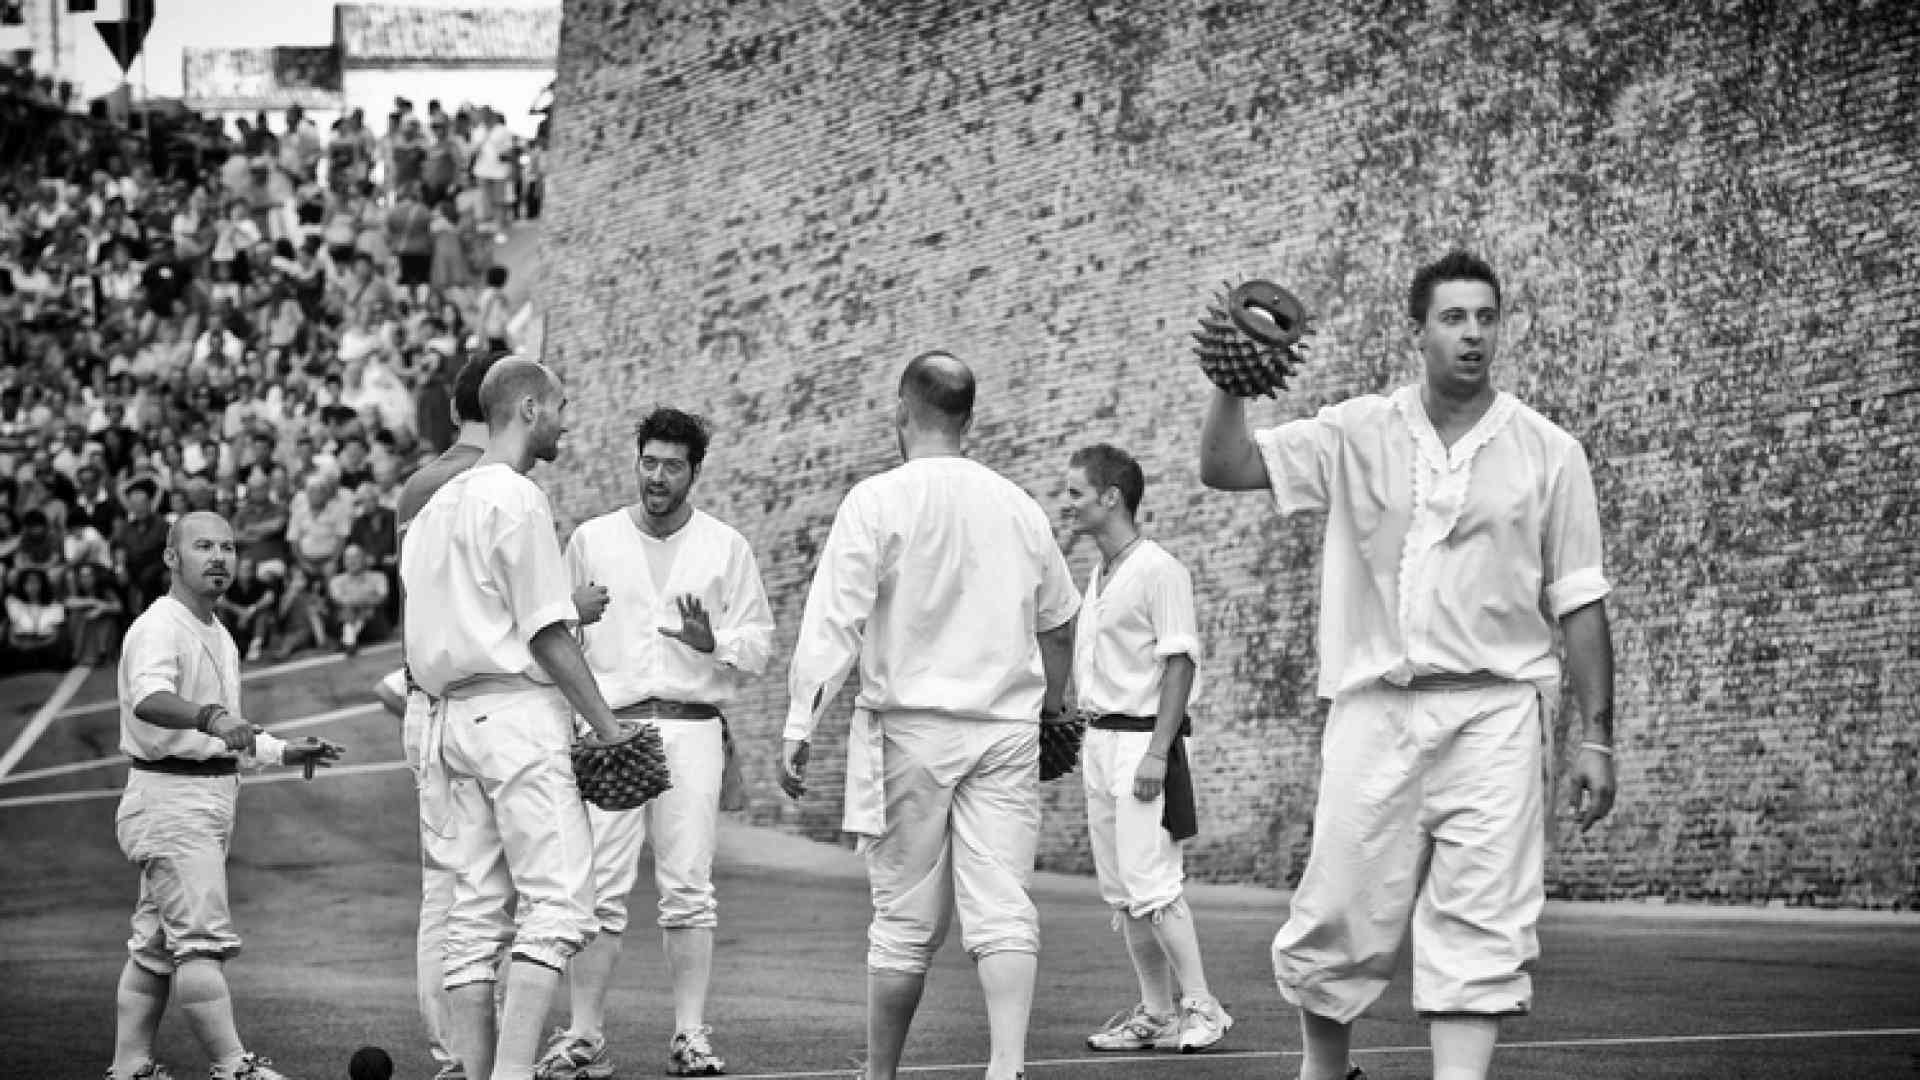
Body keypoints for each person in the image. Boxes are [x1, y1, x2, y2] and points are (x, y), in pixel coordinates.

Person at [1196, 251, 1618, 1080]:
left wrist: (1597, 739)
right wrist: (1231, 382)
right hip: (1376, 708)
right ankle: (1325, 1073)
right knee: (1337, 910)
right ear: (1418, 331)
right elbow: (1227, 466)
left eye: (1486, 317)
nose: (1472, 333)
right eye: (1454, 318)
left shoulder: (1549, 451)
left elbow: (1579, 598)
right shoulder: (1358, 431)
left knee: (1483, 920)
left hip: (1496, 713)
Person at [779, 352, 1080, 1080]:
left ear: (900, 411)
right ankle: (1005, 1066)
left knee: (904, 917)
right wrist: (1054, 708)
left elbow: (835, 622)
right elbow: (1060, 622)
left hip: (911, 727)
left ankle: (880, 1074)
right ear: (969, 419)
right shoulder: (1018, 505)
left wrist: (800, 722)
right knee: (1003, 904)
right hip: (1005, 728)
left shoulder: (877, 501)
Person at [399, 357, 629, 1080]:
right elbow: (547, 631)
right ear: (528, 408)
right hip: (514, 716)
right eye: (559, 407)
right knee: (558, 904)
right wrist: (608, 726)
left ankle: (478, 1075)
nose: (565, 422)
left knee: (473, 916)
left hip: (448, 721)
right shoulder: (517, 496)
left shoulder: (434, 509)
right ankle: (510, 1076)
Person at [536, 408, 774, 1079]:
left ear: (695, 472)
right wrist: (569, 612)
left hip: (692, 726)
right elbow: (555, 636)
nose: (658, 477)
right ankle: (584, 1036)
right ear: (636, 461)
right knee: (598, 887)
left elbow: (758, 645)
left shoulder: (725, 546)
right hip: (609, 727)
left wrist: (713, 641)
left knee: (690, 885)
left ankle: (690, 1035)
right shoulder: (592, 539)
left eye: (672, 465)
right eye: (649, 462)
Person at [103, 511, 342, 1080]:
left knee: (155, 946)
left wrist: (282, 751)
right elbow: (150, 699)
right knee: (200, 944)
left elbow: (228, 734)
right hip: (173, 799)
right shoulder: (160, 626)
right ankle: (233, 1067)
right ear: (171, 557)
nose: (219, 557)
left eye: (228, 548)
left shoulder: (218, 632)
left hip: (195, 797)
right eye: (203, 546)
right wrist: (211, 718)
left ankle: (129, 1066)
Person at [1059, 443, 1231, 1054]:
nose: (1067, 503)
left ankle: (1202, 1006)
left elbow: (1180, 661)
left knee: (1154, 882)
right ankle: (1157, 1013)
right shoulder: (1099, 575)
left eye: (1076, 492)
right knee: (1123, 892)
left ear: (1111, 497)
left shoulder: (1160, 570)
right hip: (1100, 742)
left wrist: (1159, 752)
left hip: (1142, 742)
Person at [388, 352, 497, 1079]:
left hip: (425, 695)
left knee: (445, 885)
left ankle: (455, 1046)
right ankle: (476, 1048)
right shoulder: (495, 484)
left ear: (456, 411)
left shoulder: (416, 487)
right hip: (477, 699)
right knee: (487, 887)